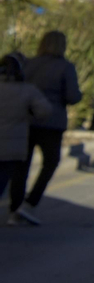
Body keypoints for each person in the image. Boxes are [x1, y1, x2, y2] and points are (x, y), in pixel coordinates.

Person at [19, 30, 81, 222]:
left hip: (26, 119)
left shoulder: (29, 64)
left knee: (22, 165)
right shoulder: (65, 67)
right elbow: (72, 96)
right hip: (52, 122)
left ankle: (16, 205)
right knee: (51, 162)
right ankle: (31, 202)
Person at [1, 53, 51, 226]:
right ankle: (15, 212)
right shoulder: (28, 90)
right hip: (12, 145)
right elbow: (44, 112)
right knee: (9, 179)